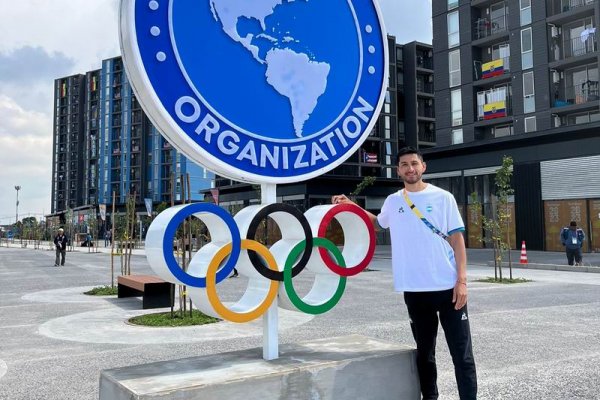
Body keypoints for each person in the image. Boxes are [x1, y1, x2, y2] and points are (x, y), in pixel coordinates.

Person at [332, 146, 477, 400]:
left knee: (462, 354)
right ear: (398, 170)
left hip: (448, 289)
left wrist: (461, 281)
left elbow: (457, 239)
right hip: (415, 290)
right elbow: (377, 223)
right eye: (405, 165)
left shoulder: (443, 198)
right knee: (424, 354)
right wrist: (351, 206)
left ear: (423, 167)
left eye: (414, 163)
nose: (410, 168)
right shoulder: (394, 201)